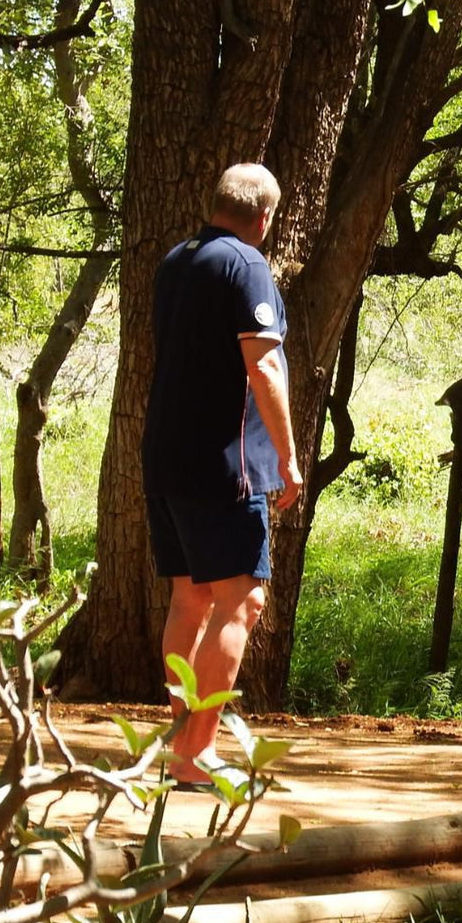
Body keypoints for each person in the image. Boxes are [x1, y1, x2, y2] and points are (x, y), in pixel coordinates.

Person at [140, 163, 303, 787]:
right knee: (245, 598)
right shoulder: (247, 265)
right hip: (223, 464)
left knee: (191, 597)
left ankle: (182, 743)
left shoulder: (176, 260)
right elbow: (263, 368)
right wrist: (287, 459)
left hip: (165, 455)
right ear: (265, 216)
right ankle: (194, 754)